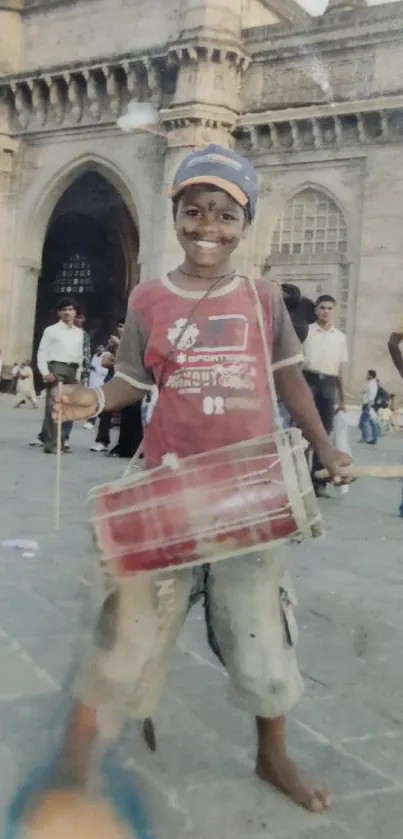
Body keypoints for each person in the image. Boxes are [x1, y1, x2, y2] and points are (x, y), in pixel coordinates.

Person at [50, 145, 351, 813]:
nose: (206, 227)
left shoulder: (261, 296)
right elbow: (132, 380)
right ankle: (81, 760)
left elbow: (289, 380)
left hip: (249, 493)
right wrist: (91, 402)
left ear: (243, 222)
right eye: (192, 211)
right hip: (169, 490)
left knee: (261, 633)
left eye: (222, 214)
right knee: (126, 628)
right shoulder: (148, 297)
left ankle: (272, 755)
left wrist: (327, 448)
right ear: (175, 214)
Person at [303, 295, 349, 496]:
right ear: (315, 310)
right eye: (322, 307)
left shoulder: (340, 337)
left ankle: (318, 481)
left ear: (334, 311)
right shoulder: (306, 332)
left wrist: (343, 399)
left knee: (324, 433)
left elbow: (339, 370)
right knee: (303, 432)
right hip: (308, 381)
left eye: (330, 308)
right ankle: (301, 480)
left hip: (329, 385)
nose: (326, 311)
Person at [35, 298, 83, 454]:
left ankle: (60, 441)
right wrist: (45, 373)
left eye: (70, 309)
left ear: (75, 312)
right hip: (56, 369)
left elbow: (79, 356)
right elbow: (42, 352)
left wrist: (79, 375)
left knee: (67, 408)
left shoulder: (79, 333)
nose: (67, 312)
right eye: (64, 309)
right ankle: (52, 444)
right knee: (54, 406)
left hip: (72, 371)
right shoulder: (51, 330)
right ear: (59, 312)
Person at [83, 346, 107, 429]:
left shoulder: (106, 356)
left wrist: (94, 368)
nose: (98, 349)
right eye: (97, 347)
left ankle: (91, 422)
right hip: (91, 382)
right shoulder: (94, 356)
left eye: (100, 347)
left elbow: (106, 371)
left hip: (99, 383)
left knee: (96, 403)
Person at [358, 369, 380, 445]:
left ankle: (366, 438)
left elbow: (371, 395)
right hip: (369, 404)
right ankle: (374, 438)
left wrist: (369, 405)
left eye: (367, 374)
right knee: (372, 422)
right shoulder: (373, 383)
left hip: (368, 404)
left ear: (370, 375)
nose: (366, 376)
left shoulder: (371, 383)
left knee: (363, 422)